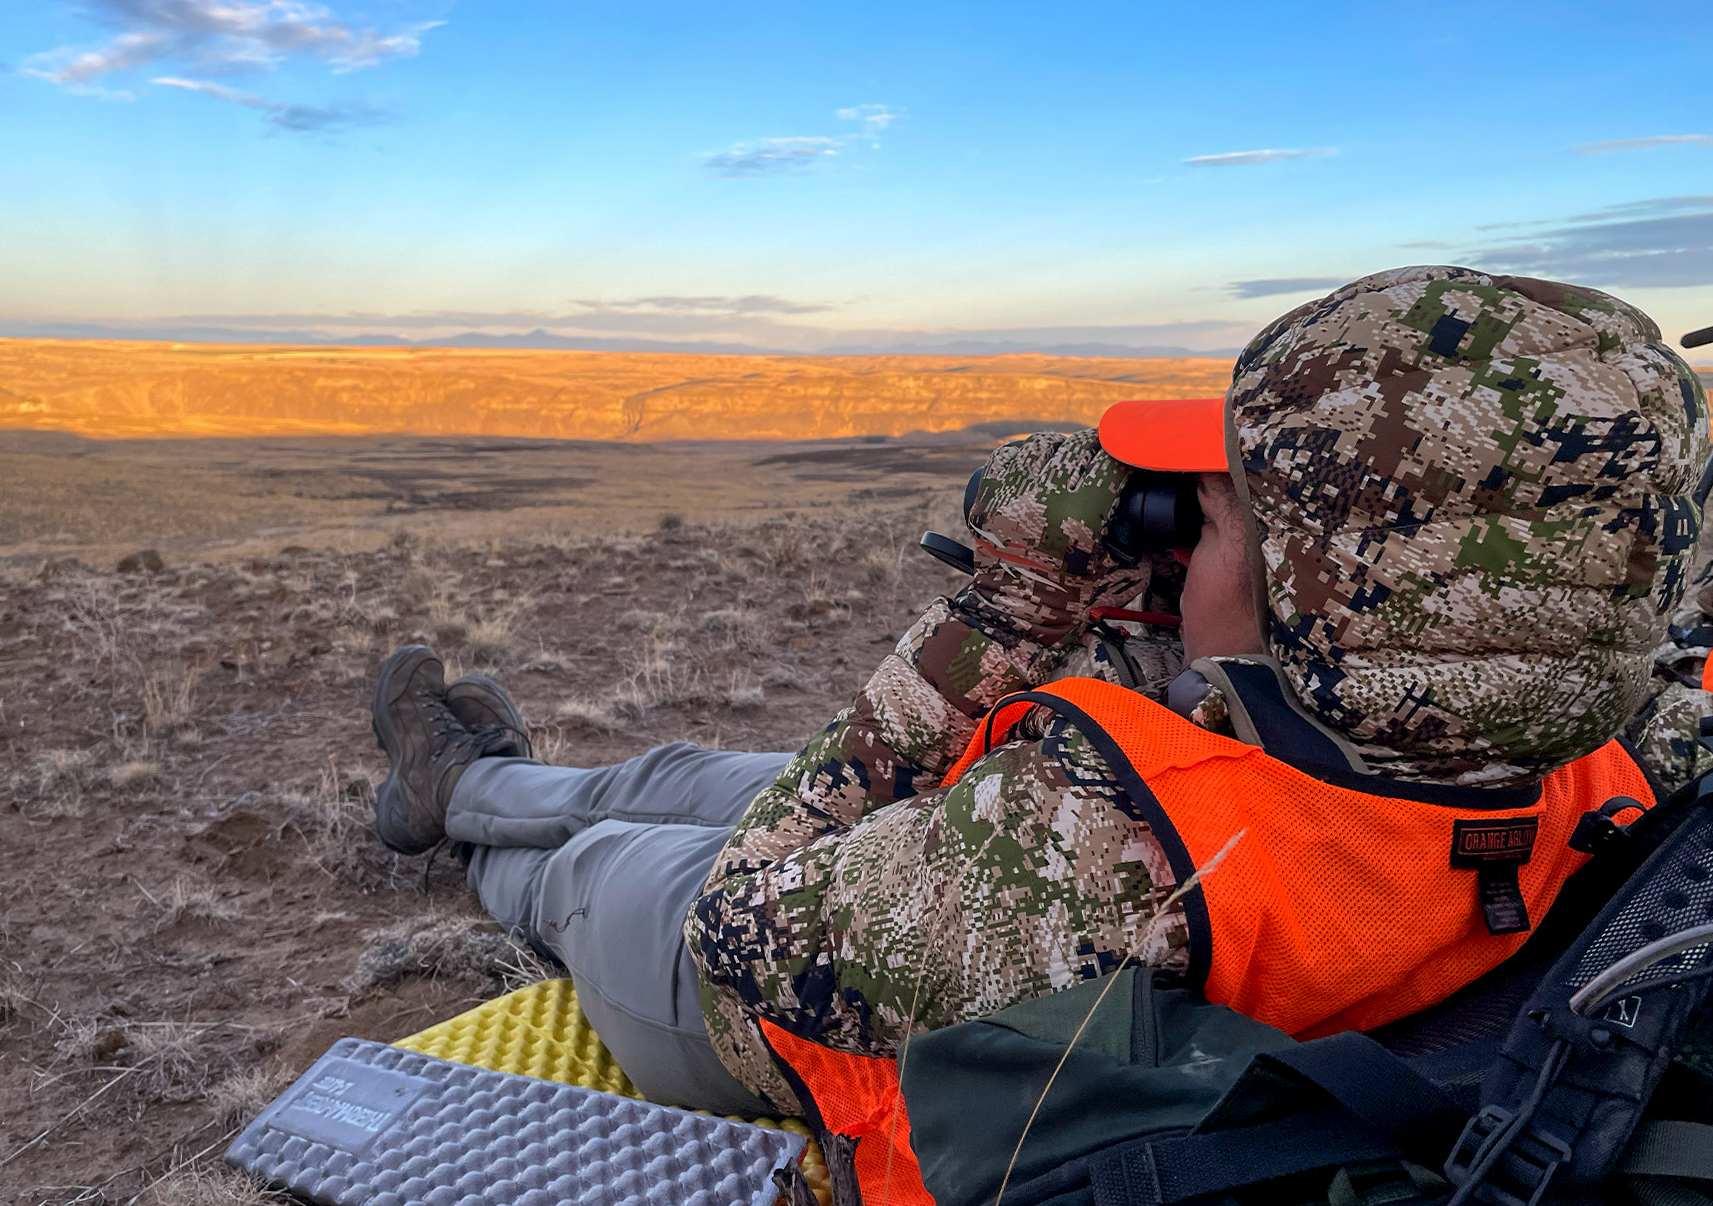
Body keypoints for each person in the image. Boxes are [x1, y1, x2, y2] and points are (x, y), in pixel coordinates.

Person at [367, 266, 1712, 1128]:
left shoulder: (1100, 870)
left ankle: (471, 828)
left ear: (1328, 593)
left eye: (1213, 514)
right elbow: (1253, 735)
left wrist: (1001, 613)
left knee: (614, 860)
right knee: (671, 771)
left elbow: (741, 925)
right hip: (940, 882)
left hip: (770, 1022)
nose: (1177, 534)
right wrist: (1165, 622)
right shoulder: (1625, 743)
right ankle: (470, 781)